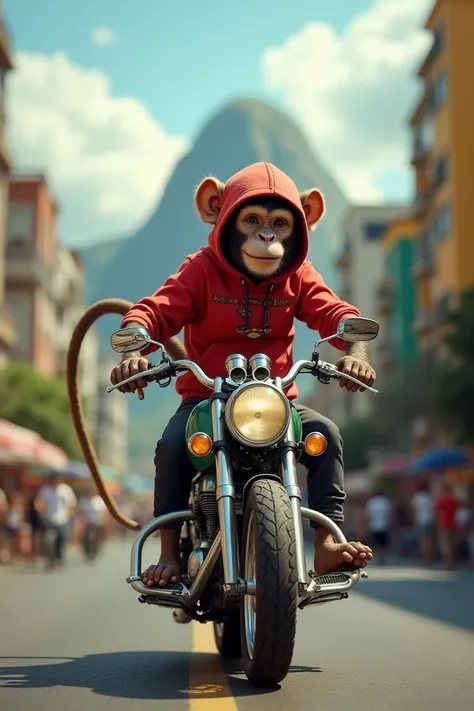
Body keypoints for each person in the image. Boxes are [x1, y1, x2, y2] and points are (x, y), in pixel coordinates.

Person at [110, 162, 376, 587]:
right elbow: (153, 312)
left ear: (301, 226)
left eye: (279, 224)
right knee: (172, 447)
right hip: (205, 398)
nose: (266, 236)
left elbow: (338, 315)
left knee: (325, 435)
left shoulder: (299, 276)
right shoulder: (200, 269)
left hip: (276, 400)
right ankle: (167, 554)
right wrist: (137, 346)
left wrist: (357, 351)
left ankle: (326, 544)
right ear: (221, 212)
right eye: (253, 221)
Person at [36, 472, 77, 566]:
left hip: (62, 519)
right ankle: (47, 556)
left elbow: (72, 503)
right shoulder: (45, 490)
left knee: (62, 537)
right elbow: (39, 501)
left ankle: (59, 555)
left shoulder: (66, 490)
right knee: (45, 539)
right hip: (48, 518)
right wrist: (40, 510)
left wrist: (70, 514)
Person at [78, 487, 107, 560]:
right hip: (87, 522)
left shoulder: (99, 500)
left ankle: (95, 549)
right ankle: (87, 550)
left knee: (96, 537)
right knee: (87, 537)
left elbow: (104, 511)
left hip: (98, 522)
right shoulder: (84, 500)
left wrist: (104, 520)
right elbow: (80, 511)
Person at [435, 484, 459, 570]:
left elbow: (438, 513)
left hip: (444, 524)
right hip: (453, 523)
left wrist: (438, 524)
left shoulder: (442, 499)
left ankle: (447, 561)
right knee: (452, 543)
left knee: (445, 543)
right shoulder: (453, 499)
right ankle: (451, 561)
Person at [365, 488, 392, 564]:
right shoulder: (385, 501)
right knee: (383, 543)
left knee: (376, 543)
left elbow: (368, 516)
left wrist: (367, 526)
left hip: (374, 525)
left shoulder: (371, 502)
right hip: (384, 525)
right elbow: (389, 514)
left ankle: (379, 556)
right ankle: (383, 556)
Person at [412, 482, 436, 564]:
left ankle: (424, 558)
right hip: (429, 519)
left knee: (422, 540)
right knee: (429, 540)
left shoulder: (417, 497)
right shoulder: (430, 497)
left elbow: (414, 510)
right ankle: (429, 557)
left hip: (420, 520)